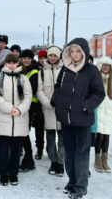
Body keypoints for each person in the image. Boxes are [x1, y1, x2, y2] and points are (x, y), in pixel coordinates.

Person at [51, 38, 105, 198]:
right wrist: (57, 100)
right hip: (66, 118)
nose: (75, 54)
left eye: (78, 51)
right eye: (72, 51)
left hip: (82, 119)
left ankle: (81, 186)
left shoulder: (92, 70)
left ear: (84, 52)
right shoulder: (65, 69)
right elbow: (57, 86)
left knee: (81, 152)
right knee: (69, 150)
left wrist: (86, 106)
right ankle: (72, 181)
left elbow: (99, 93)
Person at [0, 53, 32, 186]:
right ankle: (3, 173)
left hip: (19, 119)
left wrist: (20, 110)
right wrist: (10, 108)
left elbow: (28, 96)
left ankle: (13, 173)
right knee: (2, 149)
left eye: (14, 63)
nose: (11, 65)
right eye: (9, 63)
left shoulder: (24, 78)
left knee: (16, 150)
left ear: (17, 64)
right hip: (2, 118)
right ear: (5, 64)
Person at [36, 46, 65, 177]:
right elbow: (39, 90)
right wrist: (48, 103)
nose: (52, 58)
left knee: (62, 140)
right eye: (50, 56)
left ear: (59, 57)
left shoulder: (65, 70)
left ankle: (61, 163)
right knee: (51, 139)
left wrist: (60, 103)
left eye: (55, 56)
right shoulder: (42, 72)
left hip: (62, 109)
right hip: (48, 110)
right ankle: (53, 161)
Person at [93, 57, 112, 174]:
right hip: (99, 112)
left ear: (111, 68)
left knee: (106, 137)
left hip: (111, 112)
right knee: (99, 136)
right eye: (103, 65)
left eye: (108, 65)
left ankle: (104, 160)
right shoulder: (95, 79)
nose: (105, 67)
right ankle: (97, 160)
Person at [18, 49, 45, 172]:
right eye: (24, 58)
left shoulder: (34, 71)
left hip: (30, 107)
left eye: (28, 58)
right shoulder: (20, 69)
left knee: (23, 132)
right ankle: (28, 159)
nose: (26, 60)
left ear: (31, 59)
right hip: (22, 106)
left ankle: (29, 160)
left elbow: (33, 89)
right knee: (23, 132)